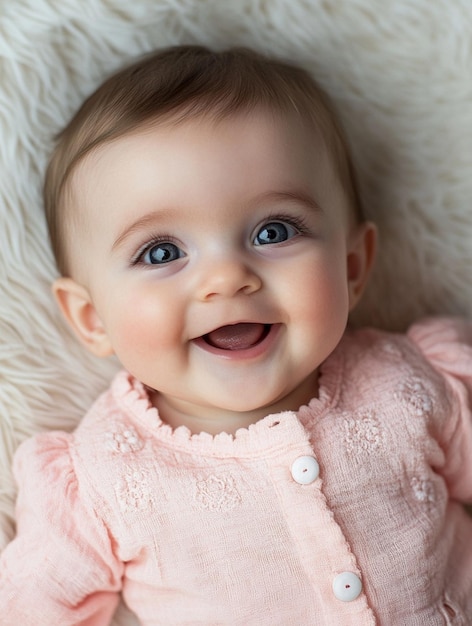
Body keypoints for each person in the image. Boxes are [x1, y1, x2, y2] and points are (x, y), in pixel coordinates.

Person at [0, 44, 471, 626]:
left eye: (274, 231)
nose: (226, 278)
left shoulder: (411, 384)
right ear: (93, 318)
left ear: (351, 268)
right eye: (162, 251)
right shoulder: (99, 479)